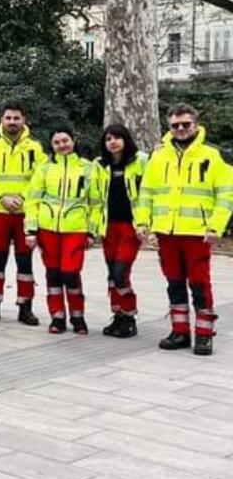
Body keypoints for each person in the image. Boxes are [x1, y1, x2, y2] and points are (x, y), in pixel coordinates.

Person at [136, 104, 233, 356]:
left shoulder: (213, 156)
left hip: (198, 232)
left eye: (185, 124)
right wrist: (142, 222)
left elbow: (226, 194)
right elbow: (146, 192)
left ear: (196, 125)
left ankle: (204, 334)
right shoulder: (158, 156)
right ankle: (179, 331)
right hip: (166, 232)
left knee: (200, 283)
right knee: (174, 281)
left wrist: (216, 226)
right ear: (169, 127)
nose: (180, 129)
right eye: (175, 125)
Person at [24, 127, 100, 335]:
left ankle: (78, 315)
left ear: (73, 141)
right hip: (47, 230)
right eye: (57, 142)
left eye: (65, 140)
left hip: (75, 229)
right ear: (52, 146)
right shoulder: (45, 169)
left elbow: (96, 204)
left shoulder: (88, 168)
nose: (62, 145)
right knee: (53, 274)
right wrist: (30, 230)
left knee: (71, 273)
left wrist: (92, 232)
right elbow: (32, 200)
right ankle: (57, 316)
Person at [0, 102, 46, 325]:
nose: (12, 122)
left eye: (16, 118)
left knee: (24, 262)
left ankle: (25, 307)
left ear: (24, 120)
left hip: (26, 212)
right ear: (1, 120)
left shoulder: (36, 148)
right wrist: (3, 197)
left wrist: (23, 198)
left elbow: (39, 179)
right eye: (8, 118)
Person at [94, 124, 147, 338]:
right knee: (111, 275)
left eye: (117, 138)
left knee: (120, 273)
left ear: (126, 140)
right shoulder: (99, 165)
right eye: (108, 139)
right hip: (109, 226)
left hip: (130, 226)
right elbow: (95, 197)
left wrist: (145, 222)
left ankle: (129, 315)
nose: (113, 142)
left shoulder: (141, 161)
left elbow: (150, 191)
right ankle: (118, 316)